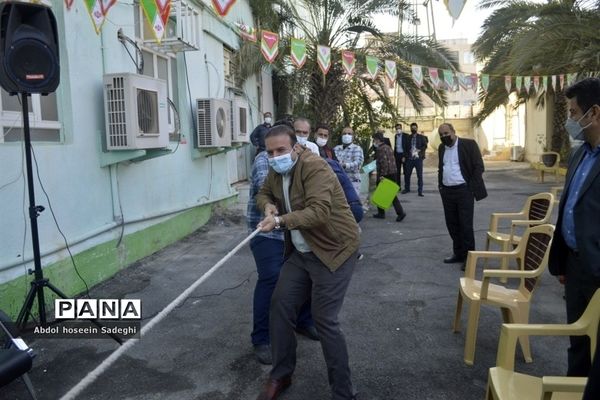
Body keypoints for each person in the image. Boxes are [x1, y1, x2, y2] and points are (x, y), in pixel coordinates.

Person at [254, 124, 360, 400]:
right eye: (270, 152)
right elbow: (263, 192)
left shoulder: (315, 167)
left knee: (325, 320)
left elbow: (319, 212)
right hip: (302, 252)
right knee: (280, 306)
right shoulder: (276, 173)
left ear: (295, 147)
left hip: (333, 250)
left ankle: (344, 392)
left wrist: (279, 221)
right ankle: (281, 374)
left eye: (281, 150)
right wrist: (267, 206)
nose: (275, 156)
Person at [548, 77, 600, 377]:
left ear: (592, 113)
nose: (569, 119)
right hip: (575, 266)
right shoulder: (579, 154)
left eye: (572, 112)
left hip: (597, 270)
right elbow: (572, 207)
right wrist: (565, 260)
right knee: (577, 342)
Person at [246, 149, 319, 365]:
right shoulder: (267, 161)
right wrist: (269, 204)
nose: (279, 153)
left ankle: (303, 320)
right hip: (266, 233)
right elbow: (265, 189)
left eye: (302, 135)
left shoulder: (306, 160)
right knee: (271, 278)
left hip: (294, 230)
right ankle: (262, 338)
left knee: (305, 274)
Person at [437, 123, 487, 270]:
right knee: (452, 224)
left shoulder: (469, 145)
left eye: (446, 133)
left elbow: (479, 166)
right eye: (441, 135)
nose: (444, 137)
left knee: (465, 225)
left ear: (453, 131)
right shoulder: (441, 148)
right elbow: (442, 167)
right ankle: (458, 253)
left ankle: (469, 258)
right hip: (447, 192)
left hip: (464, 191)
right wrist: (440, 186)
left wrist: (471, 187)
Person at [371, 132, 406, 222]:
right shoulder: (388, 147)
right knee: (388, 193)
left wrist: (382, 175)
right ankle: (382, 212)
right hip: (393, 173)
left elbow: (384, 163)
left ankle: (399, 213)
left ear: (377, 140)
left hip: (385, 174)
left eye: (374, 140)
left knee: (383, 193)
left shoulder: (380, 149)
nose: (373, 142)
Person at [334, 127, 364, 198]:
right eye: (344, 133)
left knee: (351, 204)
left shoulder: (357, 148)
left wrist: (345, 165)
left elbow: (358, 163)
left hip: (353, 182)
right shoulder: (336, 148)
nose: (346, 135)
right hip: (338, 182)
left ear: (353, 137)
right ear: (341, 136)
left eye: (349, 134)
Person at [402, 122, 428, 196]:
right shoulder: (408, 137)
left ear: (417, 128)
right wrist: (405, 156)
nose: (413, 129)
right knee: (407, 175)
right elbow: (405, 148)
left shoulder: (421, 137)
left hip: (418, 159)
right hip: (409, 159)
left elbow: (425, 146)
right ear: (410, 129)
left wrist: (419, 150)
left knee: (419, 176)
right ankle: (407, 189)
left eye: (415, 128)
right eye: (412, 128)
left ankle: (420, 191)